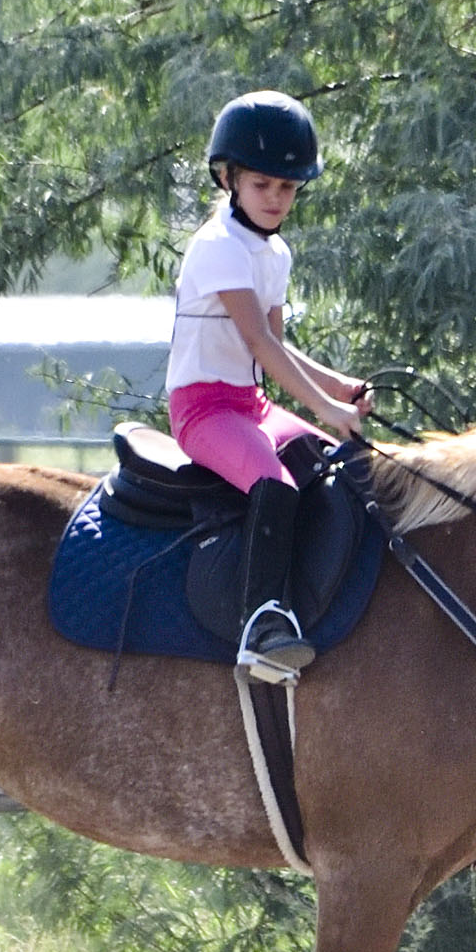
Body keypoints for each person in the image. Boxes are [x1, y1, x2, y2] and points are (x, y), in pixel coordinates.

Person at [165, 89, 373, 685]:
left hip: (252, 404)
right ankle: (261, 626)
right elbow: (260, 344)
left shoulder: (274, 251)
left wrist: (342, 386)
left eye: (287, 188)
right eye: (263, 185)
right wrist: (329, 407)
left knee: (336, 467)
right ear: (229, 179)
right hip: (204, 410)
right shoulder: (217, 247)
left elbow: (281, 348)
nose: (276, 198)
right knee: (274, 485)